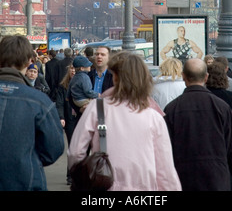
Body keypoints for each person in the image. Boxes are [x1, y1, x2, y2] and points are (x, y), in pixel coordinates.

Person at [68, 52, 182, 191]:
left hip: (104, 184)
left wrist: (82, 178)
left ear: (115, 77)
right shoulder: (154, 117)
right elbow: (165, 169)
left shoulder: (97, 108)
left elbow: (75, 151)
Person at [0, 35, 64, 191]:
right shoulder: (40, 101)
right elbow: (53, 149)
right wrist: (26, 158)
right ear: (30, 61)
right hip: (26, 181)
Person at [164, 58, 232, 191]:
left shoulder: (172, 109)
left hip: (183, 177)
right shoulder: (221, 107)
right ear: (206, 77)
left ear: (183, 77)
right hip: (216, 177)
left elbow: (165, 147)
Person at [56, 63, 77, 185]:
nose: (73, 71)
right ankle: (70, 175)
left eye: (75, 69)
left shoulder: (84, 84)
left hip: (80, 119)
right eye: (71, 69)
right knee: (72, 147)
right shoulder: (63, 87)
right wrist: (61, 117)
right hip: (69, 120)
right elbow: (59, 103)